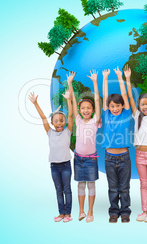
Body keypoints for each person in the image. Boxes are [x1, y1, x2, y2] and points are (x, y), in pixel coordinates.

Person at [28, 89, 73, 223]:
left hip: (65, 165)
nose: (59, 123)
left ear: (64, 121)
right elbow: (43, 117)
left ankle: (68, 214)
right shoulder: (50, 132)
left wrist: (69, 100)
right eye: (56, 121)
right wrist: (35, 103)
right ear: (52, 123)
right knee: (58, 190)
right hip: (54, 166)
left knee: (67, 190)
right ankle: (61, 213)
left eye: (61, 120)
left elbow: (70, 116)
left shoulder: (67, 131)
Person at [125, 65, 147, 223]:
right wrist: (127, 79)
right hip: (139, 155)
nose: (145, 106)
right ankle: (144, 210)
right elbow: (131, 98)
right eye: (143, 104)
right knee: (143, 184)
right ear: (139, 106)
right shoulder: (137, 115)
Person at [67, 71, 102, 223]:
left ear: (93, 110)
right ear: (80, 111)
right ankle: (81, 211)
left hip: (91, 159)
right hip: (78, 158)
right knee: (81, 185)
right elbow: (74, 103)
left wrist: (95, 82)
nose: (86, 110)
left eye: (89, 108)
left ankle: (90, 211)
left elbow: (97, 101)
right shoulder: (78, 121)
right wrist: (69, 83)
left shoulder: (95, 121)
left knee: (91, 185)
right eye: (83, 108)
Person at [102, 67, 133, 223]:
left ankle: (125, 211)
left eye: (117, 106)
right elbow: (105, 96)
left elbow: (125, 95)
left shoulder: (126, 113)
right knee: (113, 188)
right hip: (109, 157)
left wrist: (120, 77)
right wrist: (105, 79)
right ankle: (114, 212)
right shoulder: (106, 114)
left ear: (122, 106)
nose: (115, 108)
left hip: (124, 157)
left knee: (124, 188)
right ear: (109, 107)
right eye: (112, 106)